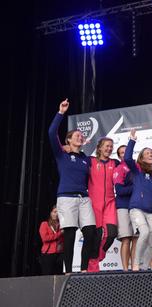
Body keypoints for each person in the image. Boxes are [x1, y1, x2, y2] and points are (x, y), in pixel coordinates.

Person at [48, 99, 96, 273]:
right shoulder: (62, 155)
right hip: (66, 198)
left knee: (90, 232)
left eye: (81, 136)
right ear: (68, 141)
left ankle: (83, 270)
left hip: (84, 199)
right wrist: (61, 112)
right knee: (69, 235)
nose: (80, 136)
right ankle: (68, 271)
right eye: (76, 135)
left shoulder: (85, 158)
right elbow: (52, 132)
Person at [125, 129, 152, 271]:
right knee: (145, 232)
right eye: (147, 153)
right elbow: (128, 158)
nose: (150, 155)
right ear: (141, 158)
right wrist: (132, 140)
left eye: (151, 153)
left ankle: (145, 266)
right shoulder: (137, 171)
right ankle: (135, 264)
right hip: (137, 208)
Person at [87, 137, 119, 272]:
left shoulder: (115, 163)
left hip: (110, 203)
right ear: (99, 147)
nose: (109, 148)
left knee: (111, 234)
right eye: (106, 146)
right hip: (94, 204)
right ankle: (93, 267)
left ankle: (99, 255)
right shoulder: (90, 161)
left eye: (111, 146)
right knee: (96, 236)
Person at [113, 145, 137, 271]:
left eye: (126, 152)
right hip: (123, 206)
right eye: (121, 152)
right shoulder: (119, 168)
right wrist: (136, 188)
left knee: (136, 239)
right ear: (119, 156)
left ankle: (134, 268)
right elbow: (119, 190)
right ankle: (125, 269)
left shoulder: (137, 166)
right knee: (126, 239)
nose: (124, 154)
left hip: (137, 207)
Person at [39, 206, 64, 275]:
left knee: (59, 275)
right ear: (51, 213)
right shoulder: (45, 224)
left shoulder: (61, 226)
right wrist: (60, 234)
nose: (56, 214)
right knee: (48, 275)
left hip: (60, 254)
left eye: (58, 212)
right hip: (48, 254)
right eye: (54, 212)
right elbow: (45, 238)